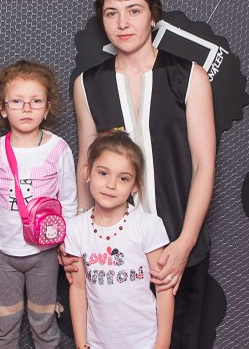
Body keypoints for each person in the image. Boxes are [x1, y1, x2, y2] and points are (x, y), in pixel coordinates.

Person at [70, 0, 216, 349]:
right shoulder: (88, 84)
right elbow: (86, 165)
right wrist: (78, 241)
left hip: (177, 248)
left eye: (133, 11)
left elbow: (204, 165)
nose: (123, 23)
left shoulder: (189, 76)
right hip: (110, 257)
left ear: (153, 15)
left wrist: (184, 243)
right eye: (111, 12)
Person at [0, 60, 78, 348]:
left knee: (43, 320)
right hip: (3, 253)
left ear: (47, 108)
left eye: (36, 101)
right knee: (5, 321)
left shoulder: (58, 149)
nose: (27, 108)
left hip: (44, 253)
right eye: (17, 101)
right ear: (3, 108)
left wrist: (67, 244)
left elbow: (68, 201)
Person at [65, 131, 174, 349]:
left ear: (135, 185)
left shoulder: (148, 226)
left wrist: (162, 344)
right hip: (97, 343)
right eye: (103, 173)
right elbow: (77, 289)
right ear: (87, 172)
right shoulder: (76, 228)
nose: (111, 184)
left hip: (144, 342)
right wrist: (81, 344)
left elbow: (163, 289)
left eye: (123, 178)